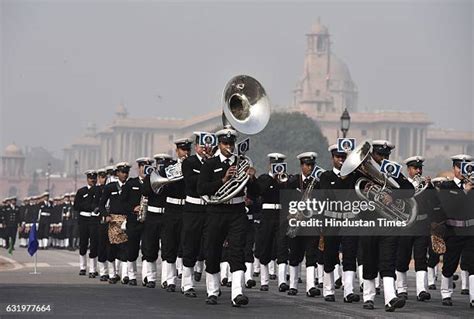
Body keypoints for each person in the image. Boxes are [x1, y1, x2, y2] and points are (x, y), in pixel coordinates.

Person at [197, 127, 258, 307]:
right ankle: (213, 291)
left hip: (237, 211)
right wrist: (223, 180)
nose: (229, 147)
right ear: (219, 144)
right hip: (216, 211)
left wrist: (252, 179)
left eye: (231, 143)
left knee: (237, 250)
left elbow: (255, 193)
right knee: (213, 251)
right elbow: (201, 189)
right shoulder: (210, 164)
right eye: (225, 143)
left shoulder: (243, 163)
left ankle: (237, 293)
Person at [437, 154, 474, 307]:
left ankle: (473, 297)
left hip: (471, 231)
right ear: (454, 168)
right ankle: (446, 293)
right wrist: (464, 191)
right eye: (460, 167)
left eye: (466, 167)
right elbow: (449, 208)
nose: (462, 170)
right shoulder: (447, 186)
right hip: (453, 231)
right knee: (450, 264)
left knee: (473, 265)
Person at [74, 170, 99, 276]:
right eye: (90, 178)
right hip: (84, 219)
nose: (92, 180)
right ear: (87, 179)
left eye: (94, 179)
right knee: (83, 243)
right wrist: (89, 207)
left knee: (94, 244)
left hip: (94, 219)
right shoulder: (81, 191)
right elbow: (76, 206)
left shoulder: (99, 190)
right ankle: (83, 267)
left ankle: (93, 269)